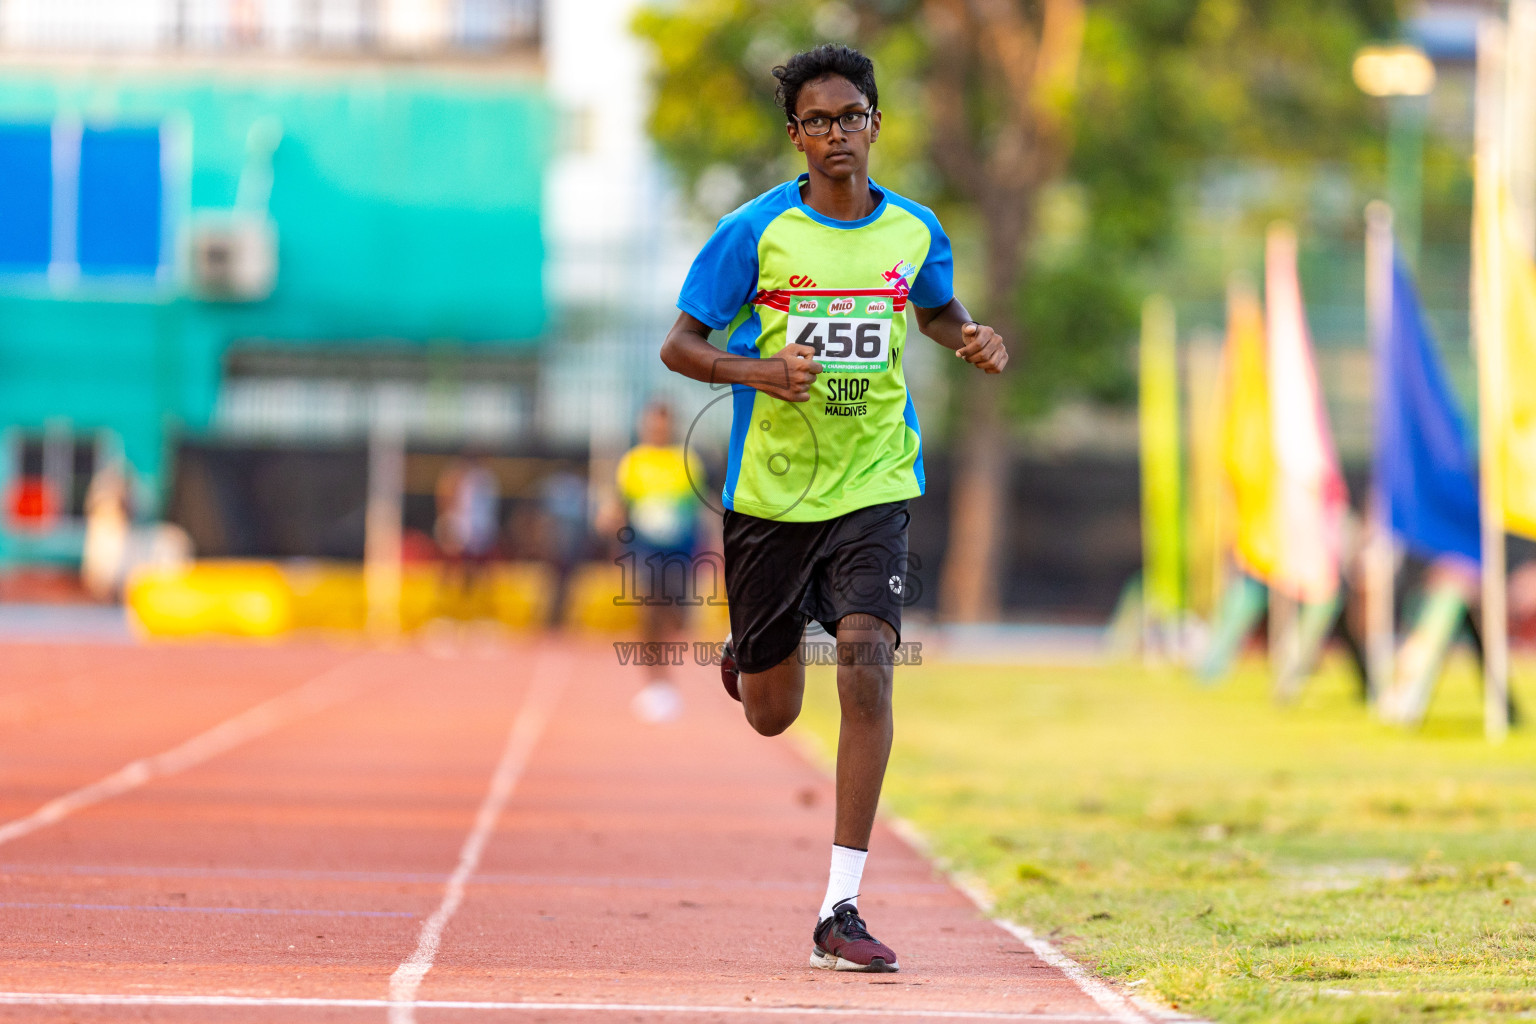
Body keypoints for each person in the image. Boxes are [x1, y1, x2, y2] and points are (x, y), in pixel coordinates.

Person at [659, 44, 1008, 973]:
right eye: (819, 121)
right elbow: (681, 347)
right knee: (773, 714)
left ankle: (840, 907)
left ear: (876, 125)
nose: (838, 134)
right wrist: (759, 370)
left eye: (852, 116)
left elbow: (932, 307)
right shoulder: (755, 233)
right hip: (771, 497)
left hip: (876, 484)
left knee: (867, 667)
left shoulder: (915, 229)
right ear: (796, 136)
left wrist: (966, 334)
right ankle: (752, 654)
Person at [609, 401, 704, 723]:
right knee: (649, 613)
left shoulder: (686, 460)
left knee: (676, 616)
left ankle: (668, 674)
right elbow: (620, 506)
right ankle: (656, 682)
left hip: (680, 550)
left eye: (663, 424)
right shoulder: (633, 462)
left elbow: (700, 508)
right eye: (652, 424)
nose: (657, 429)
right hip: (645, 549)